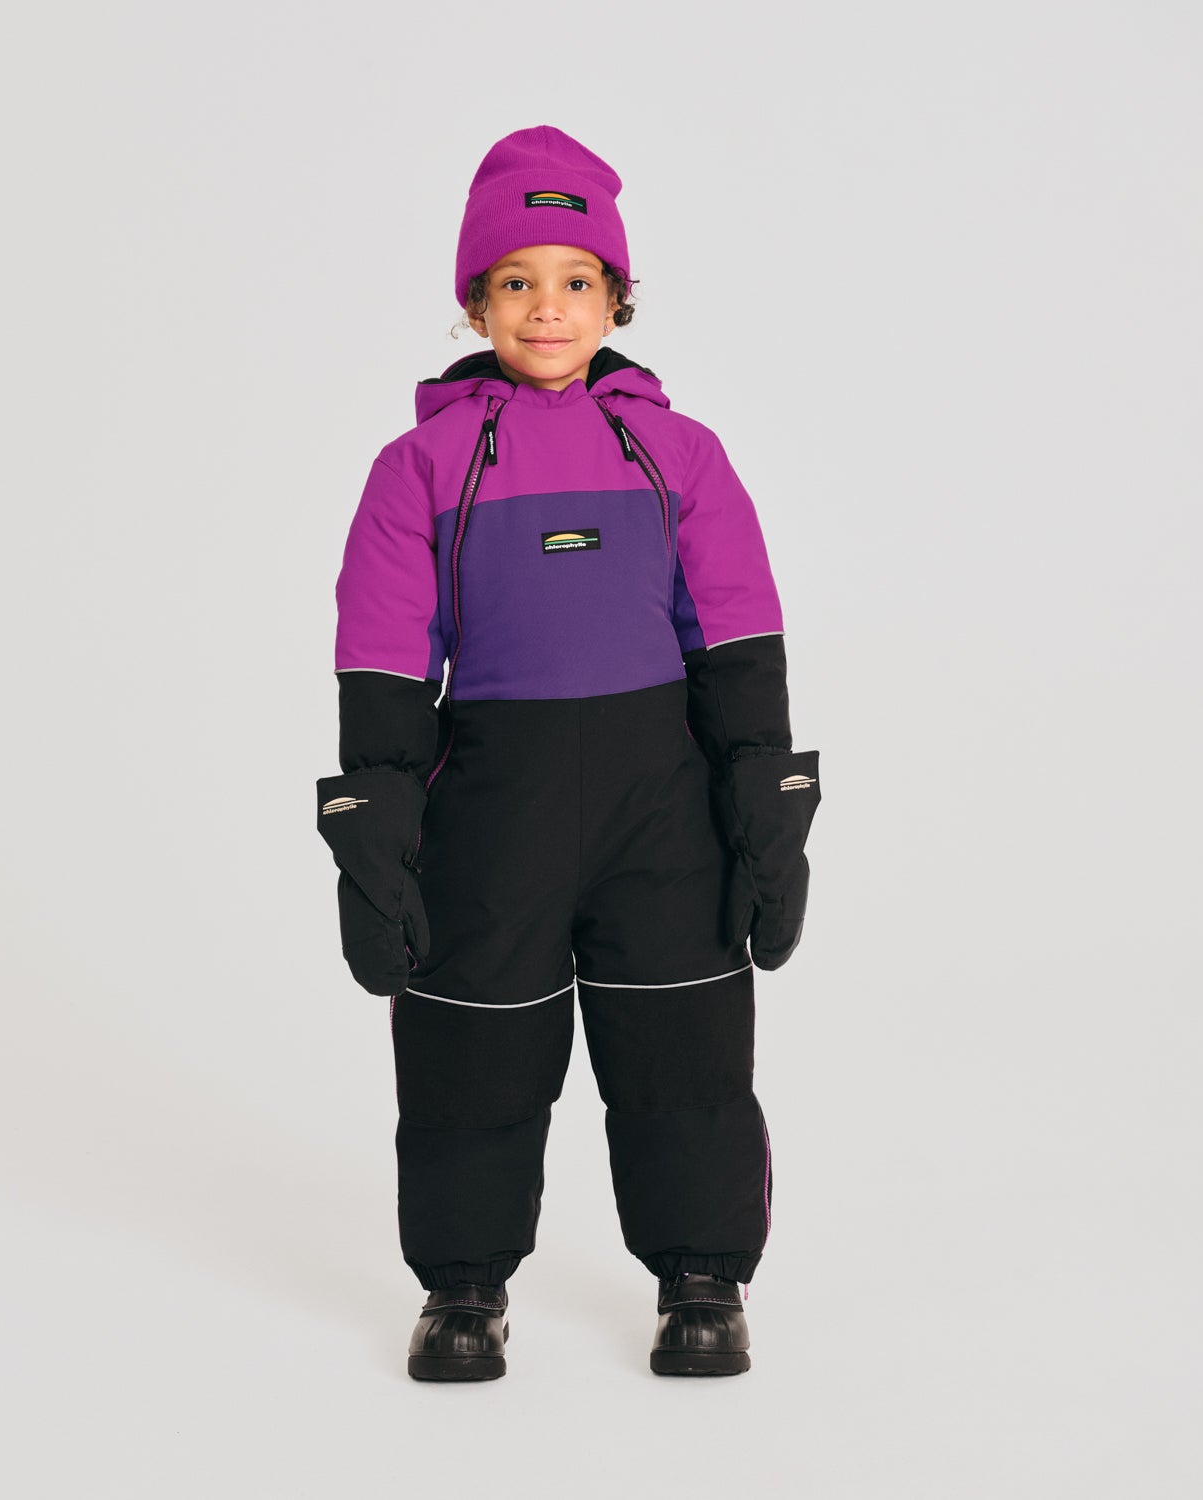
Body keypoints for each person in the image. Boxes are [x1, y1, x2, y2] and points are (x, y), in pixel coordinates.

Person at [316, 124, 822, 1380]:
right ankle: (463, 1288)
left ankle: (702, 1277)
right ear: (475, 302)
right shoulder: (419, 467)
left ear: (616, 297)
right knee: (473, 1055)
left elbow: (737, 635)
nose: (548, 308)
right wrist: (375, 836)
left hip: (665, 812)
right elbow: (384, 657)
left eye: (577, 280)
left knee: (686, 1051)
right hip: (494, 811)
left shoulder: (680, 454)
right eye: (517, 281)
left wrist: (766, 807)